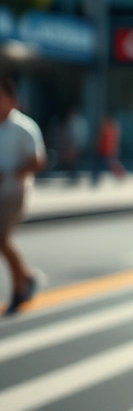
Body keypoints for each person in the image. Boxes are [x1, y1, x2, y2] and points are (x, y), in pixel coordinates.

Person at [0, 74, 46, 314]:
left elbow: (39, 161)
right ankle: (26, 277)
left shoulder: (24, 127)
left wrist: (10, 173)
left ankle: (19, 288)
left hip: (14, 192)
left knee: (2, 239)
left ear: (11, 99)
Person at [60, 107, 88, 184]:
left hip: (76, 144)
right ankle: (72, 174)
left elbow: (80, 135)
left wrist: (78, 144)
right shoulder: (71, 121)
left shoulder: (79, 122)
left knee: (75, 160)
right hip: (71, 144)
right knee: (72, 161)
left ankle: (74, 174)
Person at [96, 114, 125, 184]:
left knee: (110, 164)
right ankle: (120, 174)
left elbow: (107, 140)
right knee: (109, 164)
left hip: (108, 150)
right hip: (107, 150)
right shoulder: (112, 128)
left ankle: (121, 173)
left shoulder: (110, 128)